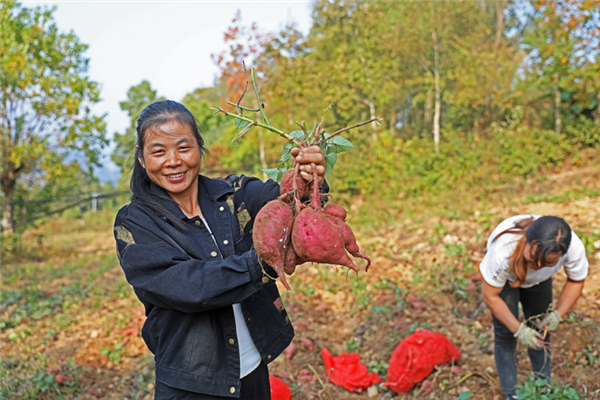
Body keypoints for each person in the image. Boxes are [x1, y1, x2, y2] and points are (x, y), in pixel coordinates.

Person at [113, 100, 327, 399]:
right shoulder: (134, 223)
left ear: (199, 147)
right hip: (192, 384)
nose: (173, 161)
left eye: (184, 148)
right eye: (159, 151)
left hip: (253, 368)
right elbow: (190, 286)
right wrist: (264, 263)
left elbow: (290, 202)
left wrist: (308, 177)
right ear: (142, 157)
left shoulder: (233, 194)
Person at [479, 215, 589, 400]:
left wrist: (557, 314)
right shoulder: (504, 249)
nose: (537, 265)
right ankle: (510, 394)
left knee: (541, 329)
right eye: (532, 257)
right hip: (505, 280)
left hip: (540, 283)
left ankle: (543, 389)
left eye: (547, 262)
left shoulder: (573, 248)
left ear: (561, 255)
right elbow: (490, 295)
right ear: (526, 240)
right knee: (506, 335)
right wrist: (518, 330)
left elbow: (576, 280)